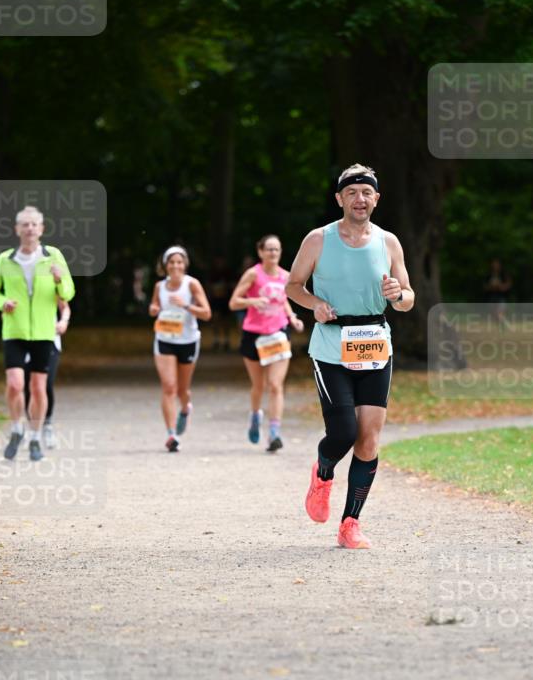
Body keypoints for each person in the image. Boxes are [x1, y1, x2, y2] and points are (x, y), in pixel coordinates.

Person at [286, 164, 414, 549]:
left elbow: (408, 297)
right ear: (339, 198)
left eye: (367, 192)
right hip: (331, 344)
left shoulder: (389, 242)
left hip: (376, 343)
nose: (360, 199)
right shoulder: (318, 240)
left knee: (369, 439)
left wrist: (398, 295)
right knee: (343, 432)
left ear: (377, 198)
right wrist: (314, 304)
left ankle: (350, 524)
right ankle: (323, 473)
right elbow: (293, 285)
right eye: (352, 192)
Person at [0, 205, 75, 461]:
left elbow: (69, 293)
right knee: (15, 384)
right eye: (24, 224)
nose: (29, 229)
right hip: (14, 329)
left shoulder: (53, 256)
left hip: (44, 332)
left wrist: (60, 280)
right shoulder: (5, 259)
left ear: (42, 229)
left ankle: (35, 437)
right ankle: (17, 429)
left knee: (38, 388)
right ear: (17, 230)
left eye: (34, 224)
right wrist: (2, 302)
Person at [229, 234, 304, 452]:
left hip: (278, 334)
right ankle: (255, 417)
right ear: (260, 251)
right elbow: (234, 302)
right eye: (269, 249)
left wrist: (293, 318)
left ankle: (274, 433)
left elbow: (284, 302)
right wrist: (252, 301)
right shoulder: (253, 274)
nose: (273, 253)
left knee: (275, 385)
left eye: (276, 250)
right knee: (259, 386)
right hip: (254, 335)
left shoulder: (286, 277)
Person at [148, 245, 211, 452]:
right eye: (172, 262)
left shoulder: (192, 285)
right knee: (169, 387)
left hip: (188, 340)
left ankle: (185, 408)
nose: (176, 266)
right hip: (165, 338)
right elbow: (154, 307)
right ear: (165, 265)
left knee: (182, 390)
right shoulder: (160, 286)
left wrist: (186, 305)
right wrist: (154, 308)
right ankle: (171, 434)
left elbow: (206, 313)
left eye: (179, 262)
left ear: (185, 265)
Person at [23, 298, 71, 449]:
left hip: (49, 339)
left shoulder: (49, 279)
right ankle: (33, 427)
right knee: (28, 386)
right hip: (24, 339)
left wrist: (64, 321)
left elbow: (65, 307)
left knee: (46, 384)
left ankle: (47, 423)